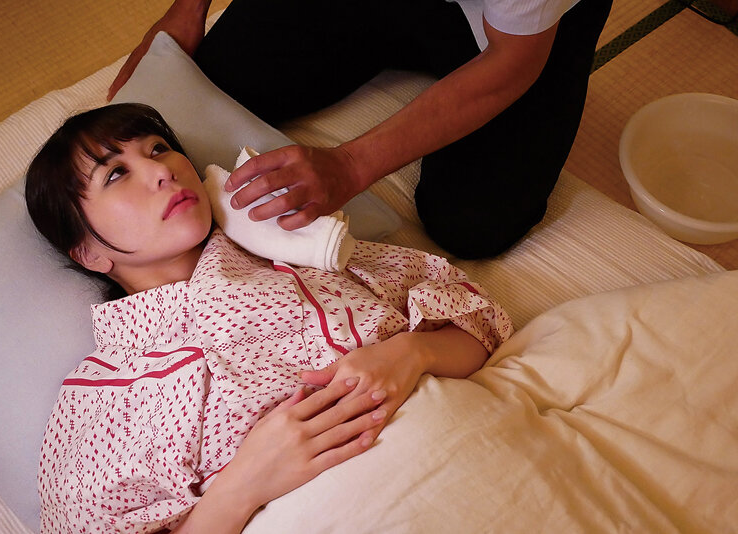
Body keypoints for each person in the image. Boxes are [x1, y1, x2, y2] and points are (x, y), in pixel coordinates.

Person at [26, 103, 512, 532]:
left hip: (486, 454)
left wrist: (412, 352)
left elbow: (482, 321)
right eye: (115, 173)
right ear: (88, 253)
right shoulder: (103, 396)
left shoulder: (304, 252)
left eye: (158, 149)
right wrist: (243, 485)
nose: (161, 171)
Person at [108, 0, 613, 260]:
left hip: (515, 39)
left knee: (473, 222)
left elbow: (512, 62)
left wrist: (351, 165)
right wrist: (186, 11)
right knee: (209, 84)